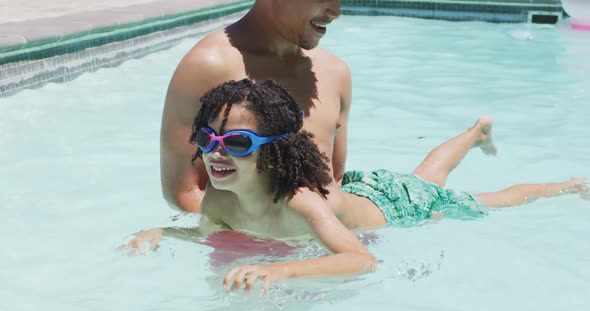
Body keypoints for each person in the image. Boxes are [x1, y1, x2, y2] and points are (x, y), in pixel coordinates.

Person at [133, 79, 588, 295]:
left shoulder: (300, 204)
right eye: (208, 139)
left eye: (236, 142)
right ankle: (474, 133)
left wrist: (281, 271)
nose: (217, 153)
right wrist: (162, 233)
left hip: (398, 206)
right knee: (426, 174)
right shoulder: (219, 195)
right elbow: (207, 235)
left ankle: (565, 185)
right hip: (362, 190)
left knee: (484, 200)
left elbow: (360, 259)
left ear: (273, 150)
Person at [160, 0, 492, 213]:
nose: (336, 11)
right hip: (283, 238)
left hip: (340, 219)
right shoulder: (208, 66)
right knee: (426, 182)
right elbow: (185, 192)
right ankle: (475, 133)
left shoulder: (335, 73)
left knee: (451, 197)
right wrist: (266, 237)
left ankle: (477, 133)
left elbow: (332, 181)